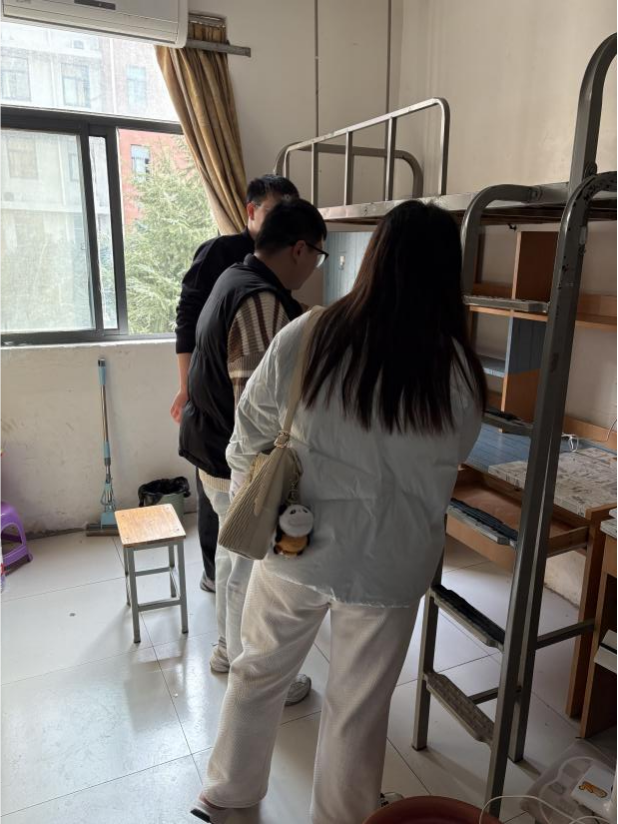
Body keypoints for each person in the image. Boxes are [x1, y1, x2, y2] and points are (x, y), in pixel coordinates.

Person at [191, 201, 487, 824]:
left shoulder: (311, 333)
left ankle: (226, 795)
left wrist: (258, 497)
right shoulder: (458, 368)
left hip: (297, 546)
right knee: (359, 707)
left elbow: (247, 434)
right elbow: (455, 453)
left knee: (258, 672)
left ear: (374, 258)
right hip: (391, 565)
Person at [181, 198, 329, 707]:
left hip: (209, 444)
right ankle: (256, 676)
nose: (314, 268)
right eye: (318, 256)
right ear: (299, 248)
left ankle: (227, 650)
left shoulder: (235, 276)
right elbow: (255, 402)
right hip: (234, 456)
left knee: (230, 557)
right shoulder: (261, 300)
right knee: (249, 568)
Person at [172, 175, 300, 593]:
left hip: (227, 399)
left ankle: (225, 575)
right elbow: (189, 322)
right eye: (276, 211)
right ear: (251, 211)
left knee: (228, 500)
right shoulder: (223, 255)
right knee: (221, 493)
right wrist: (186, 386)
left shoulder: (273, 269)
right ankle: (215, 573)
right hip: (213, 395)